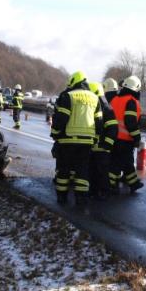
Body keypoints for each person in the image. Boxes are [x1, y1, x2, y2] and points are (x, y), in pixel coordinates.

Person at [52, 71, 101, 204]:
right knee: (82, 170)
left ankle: (62, 197)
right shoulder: (95, 98)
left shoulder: (68, 96)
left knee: (64, 169)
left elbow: (61, 118)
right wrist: (95, 138)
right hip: (86, 142)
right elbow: (99, 121)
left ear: (73, 82)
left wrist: (55, 133)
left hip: (67, 140)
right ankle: (81, 198)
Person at [110, 75, 144, 193]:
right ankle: (111, 185)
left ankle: (133, 183)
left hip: (113, 137)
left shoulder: (115, 99)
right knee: (121, 163)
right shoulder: (131, 101)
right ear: (136, 88)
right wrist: (137, 137)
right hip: (125, 139)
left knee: (122, 162)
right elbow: (130, 121)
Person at [88, 81, 118, 200]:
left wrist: (107, 144)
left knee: (101, 171)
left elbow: (112, 128)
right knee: (93, 170)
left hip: (101, 147)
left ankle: (104, 192)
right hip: (96, 145)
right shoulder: (101, 105)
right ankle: (94, 191)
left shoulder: (106, 108)